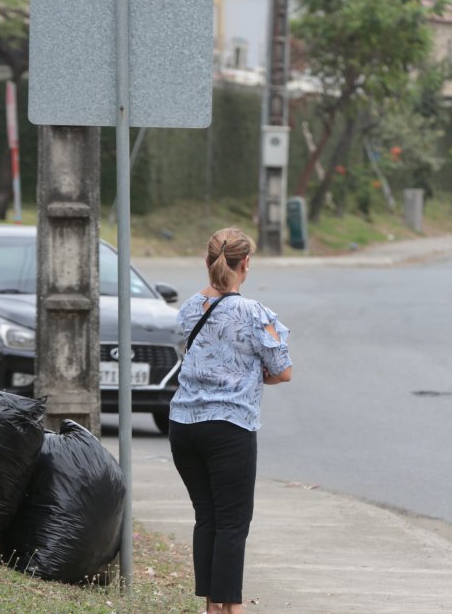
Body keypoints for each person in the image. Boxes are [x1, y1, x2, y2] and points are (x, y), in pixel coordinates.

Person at [169, 227, 293, 614]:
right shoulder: (255, 313)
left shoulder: (189, 308)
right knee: (233, 522)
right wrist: (252, 374)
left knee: (206, 517)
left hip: (183, 425)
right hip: (230, 428)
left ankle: (212, 606)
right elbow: (282, 370)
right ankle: (233, 609)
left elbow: (186, 354)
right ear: (246, 265)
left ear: (207, 262)